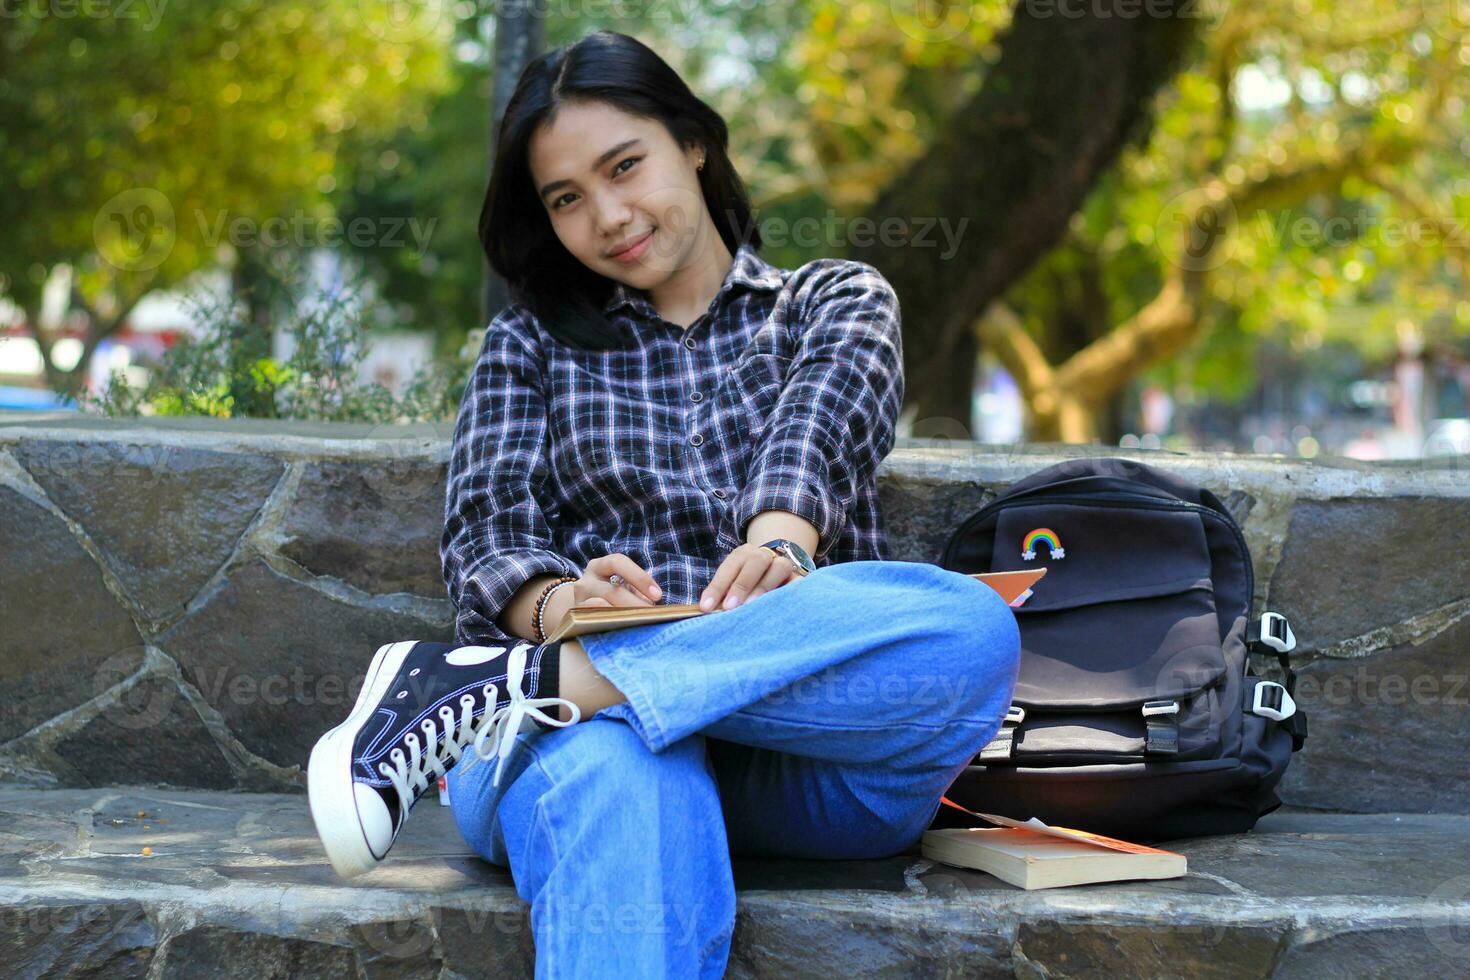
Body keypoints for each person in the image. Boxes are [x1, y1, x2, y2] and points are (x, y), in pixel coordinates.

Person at [305, 29, 1021, 978]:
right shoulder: (530, 348)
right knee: (622, 767)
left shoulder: (831, 300)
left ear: (693, 141)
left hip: (799, 760)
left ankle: (504, 684)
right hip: (582, 746)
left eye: (624, 165)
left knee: (970, 630)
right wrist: (564, 608)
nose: (607, 214)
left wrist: (782, 548)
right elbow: (488, 536)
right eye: (567, 198)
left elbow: (822, 430)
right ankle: (549, 689)